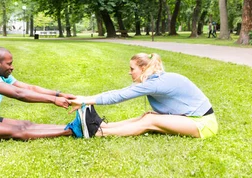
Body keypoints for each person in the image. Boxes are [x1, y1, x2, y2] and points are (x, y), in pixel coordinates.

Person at [70, 52, 218, 139]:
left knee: (150, 120)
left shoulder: (156, 83)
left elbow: (120, 96)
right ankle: (103, 126)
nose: (129, 72)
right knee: (147, 115)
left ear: (142, 68)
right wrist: (84, 99)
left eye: (132, 68)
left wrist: (84, 100)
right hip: (190, 118)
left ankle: (98, 133)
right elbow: (119, 92)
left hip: (203, 124)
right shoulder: (155, 79)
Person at [0, 47, 81, 141]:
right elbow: (18, 93)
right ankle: (72, 131)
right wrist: (53, 100)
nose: (12, 67)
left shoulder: (1, 75)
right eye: (9, 64)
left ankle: (71, 126)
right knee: (19, 131)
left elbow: (29, 87)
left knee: (26, 124)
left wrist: (59, 94)